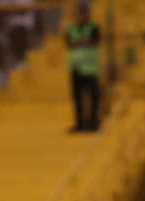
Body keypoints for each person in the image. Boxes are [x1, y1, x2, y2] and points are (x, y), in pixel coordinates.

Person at [66, 1, 101, 132]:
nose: (82, 16)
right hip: (75, 68)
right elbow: (69, 43)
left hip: (90, 69)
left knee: (93, 98)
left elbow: (93, 42)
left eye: (84, 13)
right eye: (80, 13)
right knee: (77, 98)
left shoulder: (94, 28)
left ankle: (94, 124)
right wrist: (83, 42)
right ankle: (79, 124)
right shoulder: (71, 28)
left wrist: (79, 42)